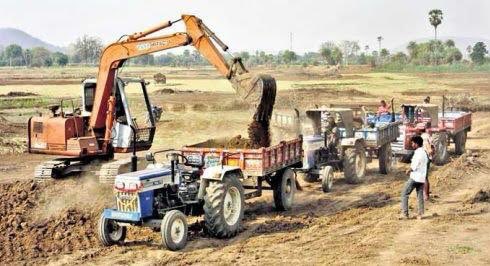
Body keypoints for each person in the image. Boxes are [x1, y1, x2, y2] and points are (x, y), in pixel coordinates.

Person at [401, 135, 429, 220]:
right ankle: (420, 214)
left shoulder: (418, 153)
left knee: (404, 194)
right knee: (420, 195)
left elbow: (414, 166)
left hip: (415, 177)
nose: (412, 145)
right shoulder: (424, 152)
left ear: (416, 144)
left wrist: (408, 170)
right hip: (421, 178)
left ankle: (405, 214)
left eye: (413, 143)